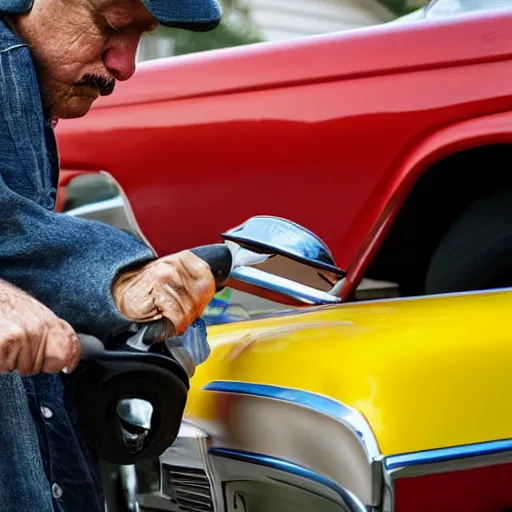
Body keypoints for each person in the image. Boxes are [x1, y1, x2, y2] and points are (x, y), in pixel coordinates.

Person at [0, 0, 222, 510]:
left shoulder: (31, 72)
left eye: (139, 35)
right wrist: (119, 280)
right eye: (112, 24)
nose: (126, 65)